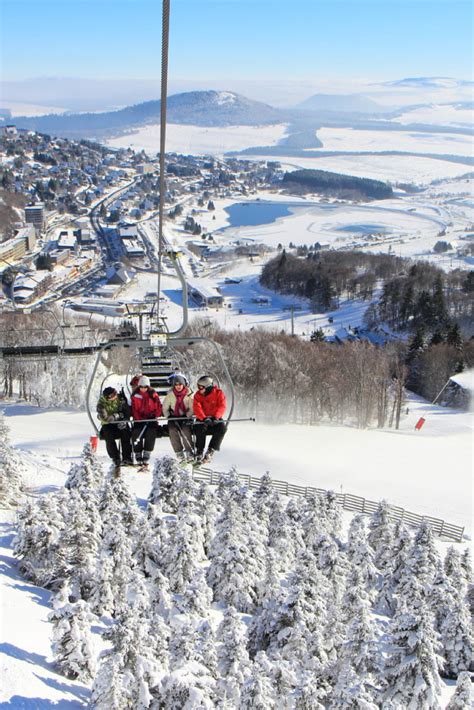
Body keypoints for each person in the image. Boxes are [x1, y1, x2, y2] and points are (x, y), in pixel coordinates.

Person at [193, 375, 227, 464]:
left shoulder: (218, 393)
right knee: (199, 428)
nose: (199, 389)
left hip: (214, 418)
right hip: (203, 418)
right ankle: (199, 451)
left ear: (208, 387)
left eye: (201, 387)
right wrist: (203, 418)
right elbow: (197, 407)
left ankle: (211, 450)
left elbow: (222, 406)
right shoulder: (198, 395)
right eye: (198, 387)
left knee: (222, 428)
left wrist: (216, 416)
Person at [131, 375, 163, 466]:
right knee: (136, 432)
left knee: (151, 432)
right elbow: (134, 409)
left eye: (145, 387)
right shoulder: (135, 395)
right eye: (141, 387)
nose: (143, 389)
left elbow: (158, 407)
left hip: (151, 419)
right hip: (140, 419)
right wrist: (138, 418)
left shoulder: (153, 394)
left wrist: (154, 415)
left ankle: (147, 451)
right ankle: (137, 452)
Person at [162, 373, 194, 462]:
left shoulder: (189, 394)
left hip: (185, 417)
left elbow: (192, 408)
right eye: (176, 385)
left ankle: (189, 451)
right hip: (174, 417)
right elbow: (165, 408)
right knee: (172, 430)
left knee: (185, 430)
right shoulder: (170, 395)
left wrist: (187, 416)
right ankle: (179, 452)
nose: (178, 386)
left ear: (183, 385)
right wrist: (169, 416)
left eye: (180, 384)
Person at [96, 386, 132, 467]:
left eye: (115, 394)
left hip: (120, 421)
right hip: (108, 424)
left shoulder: (120, 399)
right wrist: (117, 415)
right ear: (107, 398)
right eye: (112, 396)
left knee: (125, 433)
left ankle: (127, 457)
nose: (115, 396)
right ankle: (115, 457)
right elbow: (105, 418)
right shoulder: (101, 404)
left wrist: (124, 419)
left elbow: (127, 411)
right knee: (109, 436)